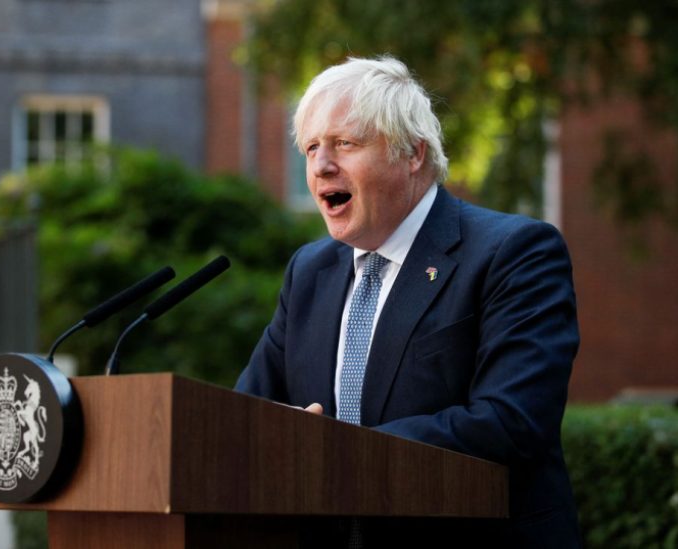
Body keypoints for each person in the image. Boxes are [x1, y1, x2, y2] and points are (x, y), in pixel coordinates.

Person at [236, 56, 581, 548]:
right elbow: (250, 413)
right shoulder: (309, 272)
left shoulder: (515, 252)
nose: (320, 166)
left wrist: (337, 452)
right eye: (311, 148)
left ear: (413, 153)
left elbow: (512, 422)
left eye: (344, 144)